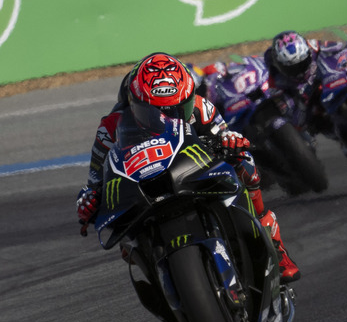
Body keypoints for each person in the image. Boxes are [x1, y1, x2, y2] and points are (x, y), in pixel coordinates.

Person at [76, 52, 301, 283]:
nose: (169, 117)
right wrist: (89, 200)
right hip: (142, 185)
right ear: (136, 105)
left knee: (244, 161)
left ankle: (274, 243)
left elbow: (223, 134)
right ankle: (157, 281)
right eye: (158, 111)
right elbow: (95, 180)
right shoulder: (110, 128)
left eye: (178, 108)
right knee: (126, 248)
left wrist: (230, 140)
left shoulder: (201, 107)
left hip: (191, 169)